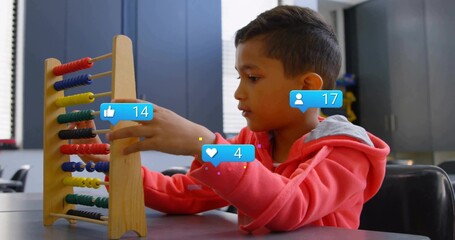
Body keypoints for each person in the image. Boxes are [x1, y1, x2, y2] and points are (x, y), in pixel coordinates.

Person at [72, 5, 389, 232]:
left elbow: (291, 206)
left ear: (306, 88)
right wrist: (103, 156)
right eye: (239, 77)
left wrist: (204, 143)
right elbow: (182, 194)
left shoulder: (347, 151)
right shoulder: (249, 145)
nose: (238, 93)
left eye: (252, 78)